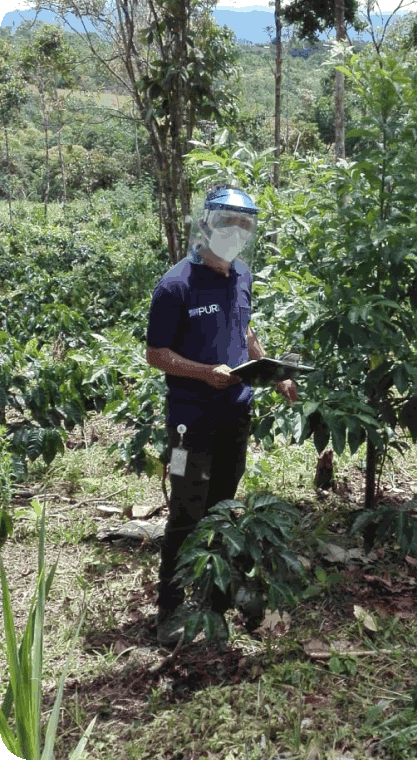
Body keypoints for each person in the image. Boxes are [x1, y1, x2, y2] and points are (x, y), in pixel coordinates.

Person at [145, 185, 298, 647]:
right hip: (190, 422)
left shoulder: (242, 275)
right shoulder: (175, 285)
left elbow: (245, 329)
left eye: (245, 224)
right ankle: (170, 609)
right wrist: (203, 373)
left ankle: (215, 596)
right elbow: (155, 354)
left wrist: (274, 372)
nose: (237, 231)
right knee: (186, 512)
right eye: (229, 221)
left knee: (225, 508)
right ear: (207, 223)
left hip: (236, 413)